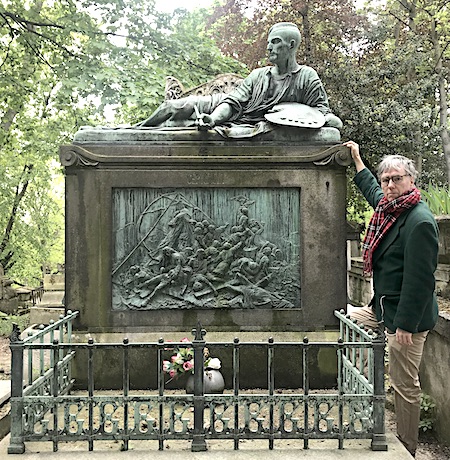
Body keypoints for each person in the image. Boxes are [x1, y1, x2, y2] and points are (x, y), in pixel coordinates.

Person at [343, 140, 439, 458]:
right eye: (386, 179)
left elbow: (420, 282)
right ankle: (358, 383)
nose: (389, 184)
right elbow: (372, 190)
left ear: (411, 180)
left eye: (396, 178)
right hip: (382, 308)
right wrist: (357, 159)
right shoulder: (390, 209)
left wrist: (405, 327)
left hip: (406, 318)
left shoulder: (419, 222)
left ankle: (406, 446)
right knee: (343, 317)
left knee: (404, 384)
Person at [136, 22, 342, 132]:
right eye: (269, 42)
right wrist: (213, 119)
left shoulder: (306, 77)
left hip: (245, 119)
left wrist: (328, 120)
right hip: (222, 106)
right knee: (171, 108)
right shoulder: (258, 75)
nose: (269, 47)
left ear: (291, 45)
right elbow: (232, 102)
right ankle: (136, 131)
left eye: (276, 42)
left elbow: (324, 113)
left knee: (175, 125)